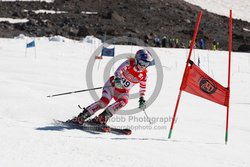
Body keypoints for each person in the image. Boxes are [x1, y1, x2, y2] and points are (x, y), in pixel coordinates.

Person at [68, 49, 154, 126]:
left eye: (146, 64)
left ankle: (101, 119)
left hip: (123, 92)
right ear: (137, 60)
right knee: (104, 102)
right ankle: (82, 117)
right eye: (142, 62)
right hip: (111, 86)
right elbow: (118, 71)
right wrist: (117, 80)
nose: (143, 66)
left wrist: (142, 98)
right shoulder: (129, 63)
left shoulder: (144, 75)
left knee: (124, 101)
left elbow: (142, 87)